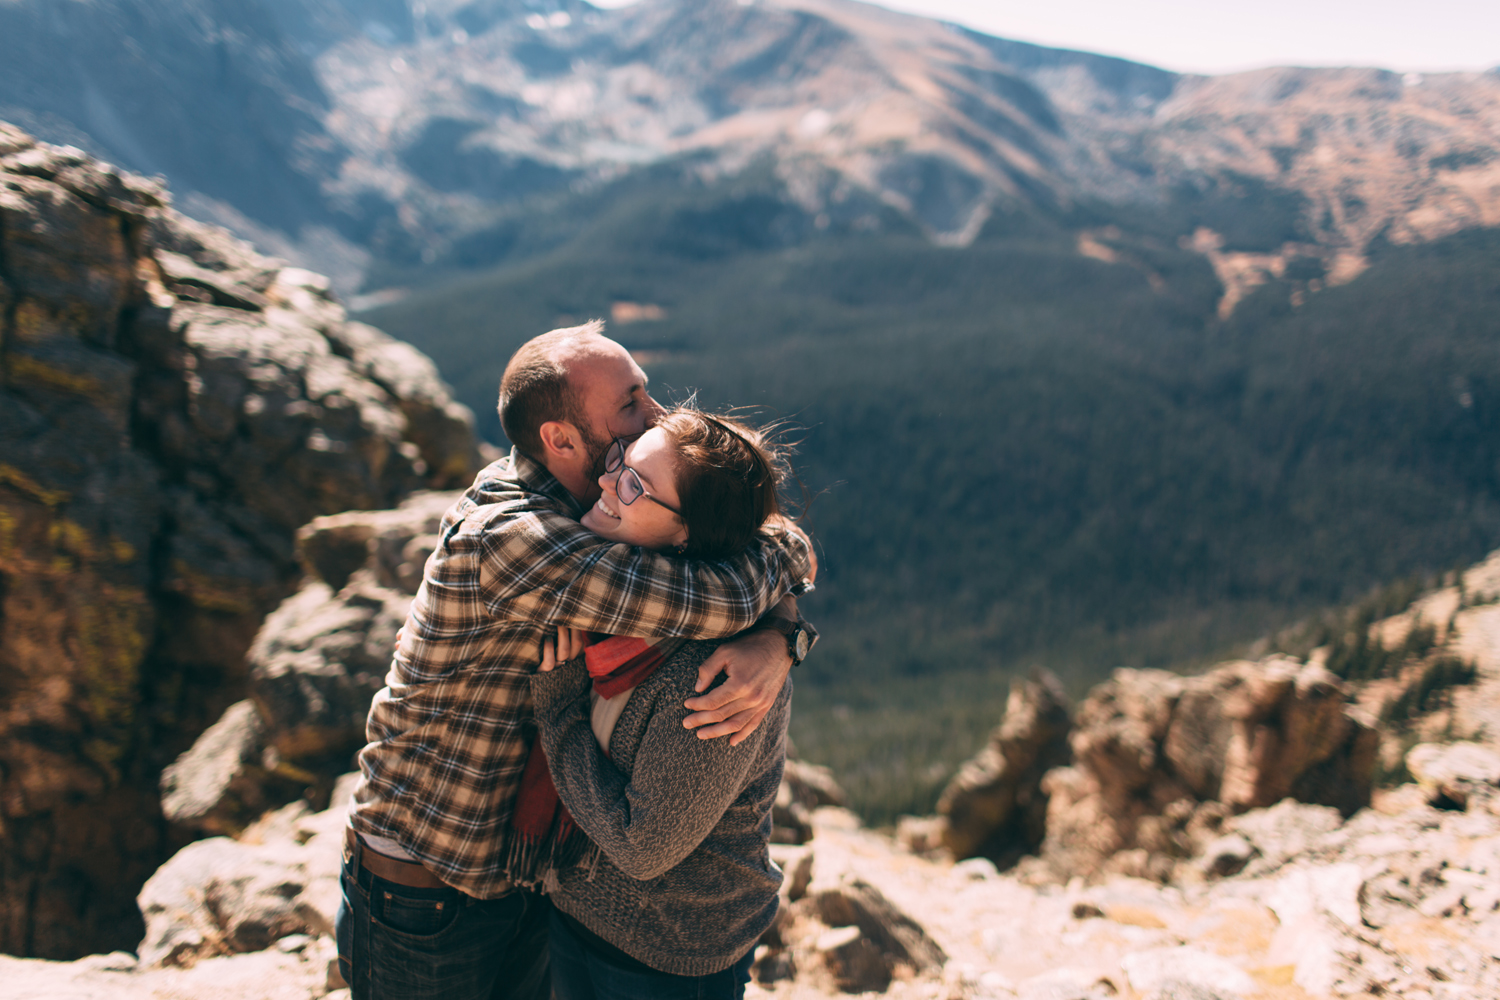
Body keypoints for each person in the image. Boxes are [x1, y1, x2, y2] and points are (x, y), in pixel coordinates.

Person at [336, 322, 816, 1000]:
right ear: (560, 440)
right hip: (429, 890)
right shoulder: (514, 538)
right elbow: (720, 590)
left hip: (520, 874)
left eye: (645, 393)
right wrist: (781, 628)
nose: (654, 416)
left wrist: (780, 625)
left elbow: (749, 524)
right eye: (629, 404)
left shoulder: (593, 497)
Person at [528, 408, 816, 999]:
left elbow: (643, 848)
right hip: (576, 912)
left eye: (634, 483)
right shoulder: (621, 596)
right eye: (618, 462)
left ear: (687, 534)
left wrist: (558, 710)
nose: (608, 482)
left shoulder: (713, 674)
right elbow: (787, 545)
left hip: (668, 952)